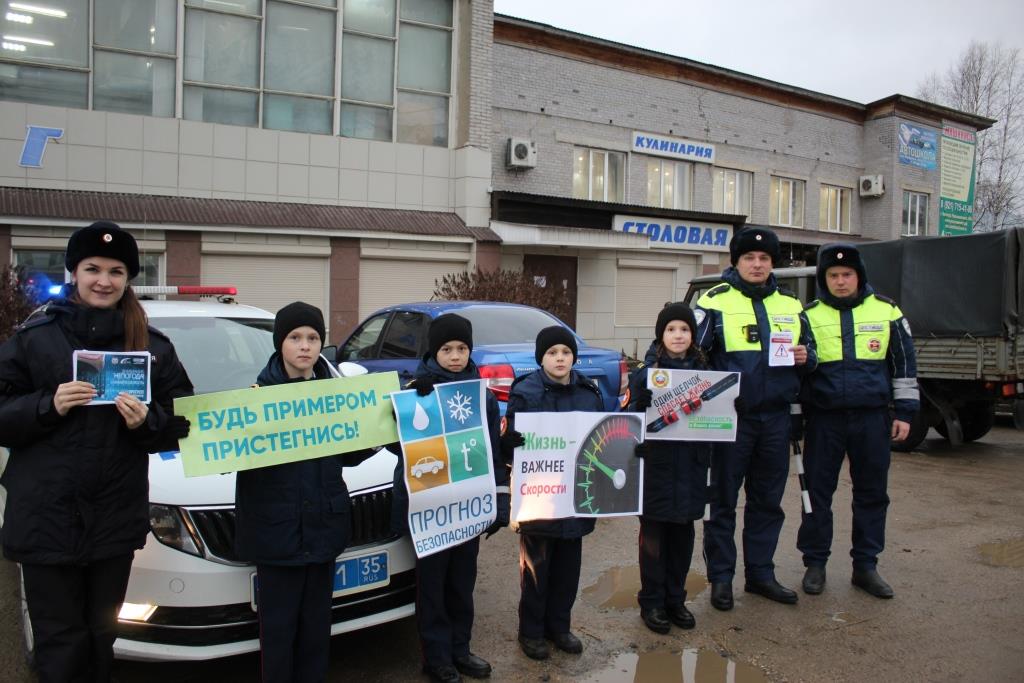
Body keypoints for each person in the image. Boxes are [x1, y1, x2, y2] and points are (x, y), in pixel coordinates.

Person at [0, 221, 193, 682]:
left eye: (116, 271)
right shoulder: (34, 338)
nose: (103, 280)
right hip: (46, 520)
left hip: (112, 521)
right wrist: (48, 406)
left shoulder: (151, 347)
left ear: (128, 279)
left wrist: (149, 423)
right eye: (92, 268)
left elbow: (182, 420)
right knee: (60, 644)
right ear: (74, 272)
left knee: (101, 637)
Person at [234, 301, 379, 683]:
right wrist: (201, 433)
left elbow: (350, 453)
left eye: (313, 338)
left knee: (316, 634)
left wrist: (382, 428)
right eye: (295, 337)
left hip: (323, 532)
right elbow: (225, 456)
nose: (305, 346)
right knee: (278, 635)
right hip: (276, 538)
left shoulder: (335, 396)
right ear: (279, 343)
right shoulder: (252, 399)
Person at [695, 226, 816, 610]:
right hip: (730, 420)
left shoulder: (792, 305)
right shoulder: (712, 302)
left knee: (767, 502)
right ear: (736, 261)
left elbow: (811, 353)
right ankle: (722, 579)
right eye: (749, 257)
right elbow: (690, 358)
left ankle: (761, 574)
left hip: (776, 421)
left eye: (764, 259)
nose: (757, 264)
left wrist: (806, 357)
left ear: (772, 263)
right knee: (722, 502)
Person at [389, 313, 509, 683]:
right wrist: (409, 407)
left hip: (468, 510)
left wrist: (500, 498)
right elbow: (399, 450)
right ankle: (436, 656)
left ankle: (461, 649)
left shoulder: (482, 397)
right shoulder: (415, 391)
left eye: (462, 348)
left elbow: (492, 450)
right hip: (430, 509)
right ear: (433, 351)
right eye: (447, 349)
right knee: (433, 589)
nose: (455, 355)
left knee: (462, 585)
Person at [797, 244, 918, 599]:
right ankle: (815, 563)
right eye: (833, 275)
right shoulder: (809, 315)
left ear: (859, 276)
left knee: (872, 494)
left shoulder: (887, 311)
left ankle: (865, 566)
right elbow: (800, 370)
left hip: (872, 419)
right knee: (816, 494)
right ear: (824, 279)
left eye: (846, 274)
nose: (840, 281)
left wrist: (906, 414)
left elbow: (904, 365)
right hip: (824, 420)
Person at [503, 326, 603, 661]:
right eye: (552, 353)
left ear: (574, 357)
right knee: (536, 570)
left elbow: (601, 439)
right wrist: (509, 446)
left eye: (565, 353)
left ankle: (559, 627)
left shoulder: (588, 392)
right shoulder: (526, 392)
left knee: (567, 571)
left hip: (574, 498)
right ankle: (531, 632)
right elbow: (510, 443)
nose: (559, 359)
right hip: (540, 500)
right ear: (540, 358)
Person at [626, 303, 713, 634]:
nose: (679, 335)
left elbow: (716, 420)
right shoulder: (645, 375)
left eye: (685, 330)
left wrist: (732, 409)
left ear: (693, 336)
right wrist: (639, 406)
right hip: (656, 470)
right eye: (672, 329)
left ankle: (676, 600)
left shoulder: (707, 375)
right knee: (653, 540)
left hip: (691, 469)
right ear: (661, 335)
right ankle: (652, 602)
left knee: (683, 537)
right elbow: (627, 421)